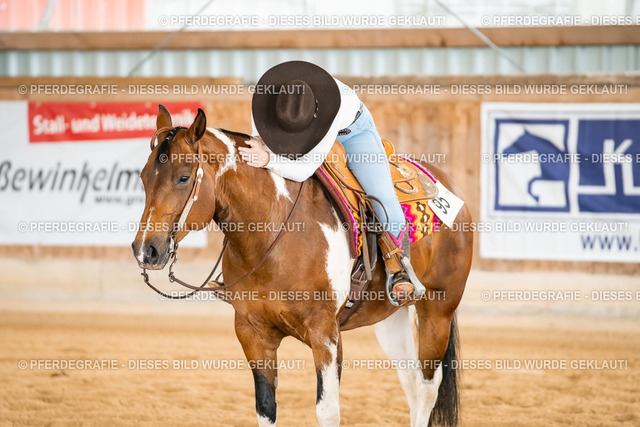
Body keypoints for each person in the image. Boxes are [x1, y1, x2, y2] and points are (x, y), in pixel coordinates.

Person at [239, 60, 424, 304]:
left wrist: (268, 159)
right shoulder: (266, 100)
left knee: (381, 194)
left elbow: (304, 170)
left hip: (351, 133)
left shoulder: (332, 108)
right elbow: (259, 138)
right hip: (292, 128)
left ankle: (399, 267)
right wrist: (260, 151)